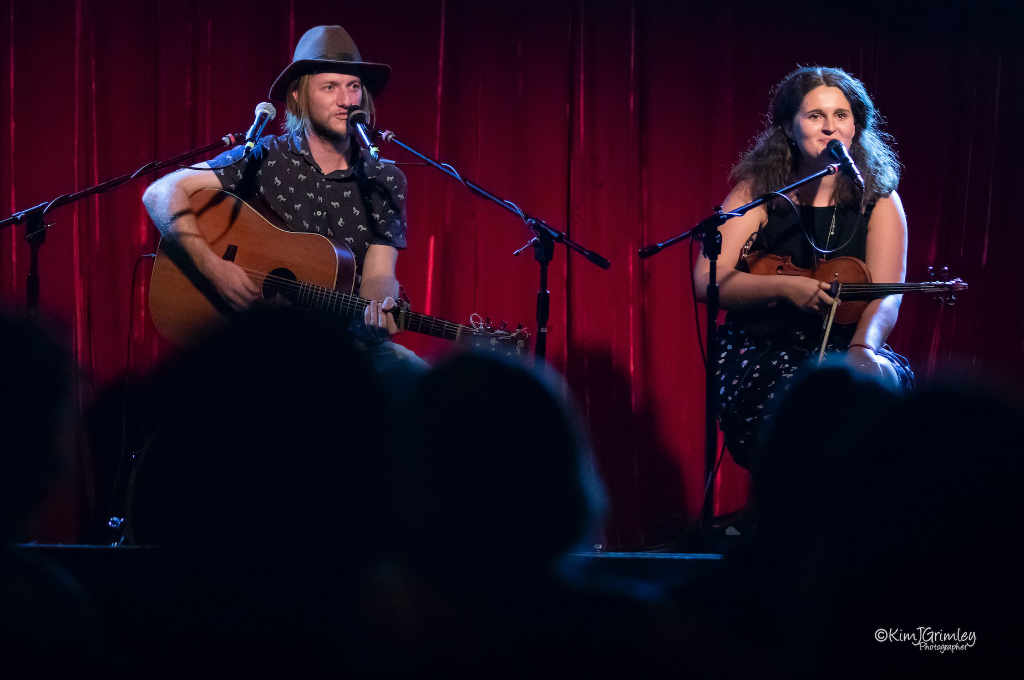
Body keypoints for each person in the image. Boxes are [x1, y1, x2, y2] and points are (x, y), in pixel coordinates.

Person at [142, 24, 425, 377]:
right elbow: (161, 193)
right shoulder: (264, 157)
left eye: (353, 86)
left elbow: (380, 274)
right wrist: (214, 269)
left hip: (343, 344)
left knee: (419, 381)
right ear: (297, 96)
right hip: (261, 346)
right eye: (330, 87)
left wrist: (380, 310)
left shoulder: (384, 179)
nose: (346, 99)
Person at [693, 66, 913, 469]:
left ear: (856, 126)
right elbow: (707, 279)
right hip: (764, 347)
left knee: (876, 398)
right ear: (789, 128)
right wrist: (784, 288)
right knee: (797, 402)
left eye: (841, 115)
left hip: (848, 345)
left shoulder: (880, 197)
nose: (830, 127)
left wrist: (864, 351)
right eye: (815, 116)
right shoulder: (759, 190)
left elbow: (886, 295)